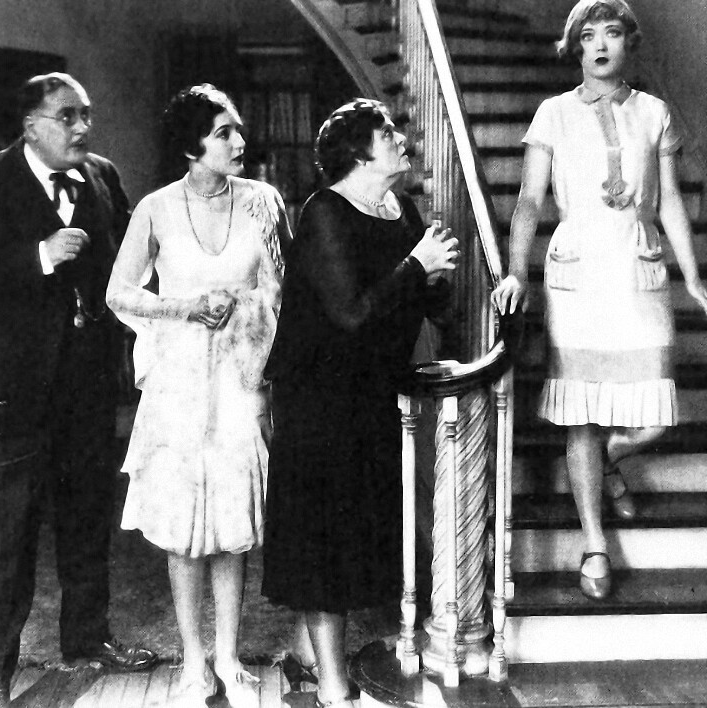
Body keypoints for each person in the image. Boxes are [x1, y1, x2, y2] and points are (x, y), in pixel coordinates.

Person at [0, 72, 158, 708]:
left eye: (86, 114)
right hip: (14, 388)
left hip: (87, 383)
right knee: (8, 530)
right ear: (31, 125)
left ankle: (88, 638)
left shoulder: (102, 177)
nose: (83, 127)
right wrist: (38, 254)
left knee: (87, 514)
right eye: (68, 116)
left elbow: (126, 264)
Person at [492, 0, 707, 601]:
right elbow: (529, 201)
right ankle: (594, 543)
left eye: (613, 33)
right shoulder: (553, 114)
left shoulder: (654, 112)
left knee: (654, 417)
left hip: (637, 270)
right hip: (578, 278)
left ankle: (612, 458)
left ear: (628, 43)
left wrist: (693, 277)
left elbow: (668, 201)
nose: (602, 45)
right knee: (581, 415)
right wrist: (517, 271)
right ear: (576, 48)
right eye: (590, 36)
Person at [261, 99, 459, 708]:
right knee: (324, 541)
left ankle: (306, 656)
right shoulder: (324, 211)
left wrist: (436, 276)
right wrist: (416, 266)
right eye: (387, 133)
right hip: (319, 399)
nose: (400, 139)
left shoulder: (402, 208)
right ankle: (332, 688)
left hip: (371, 394)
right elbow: (350, 313)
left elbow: (432, 304)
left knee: (355, 536)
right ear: (358, 154)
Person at [106, 84, 288, 708]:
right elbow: (119, 293)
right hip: (178, 385)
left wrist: (255, 353)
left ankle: (229, 656)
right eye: (223, 133)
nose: (239, 142)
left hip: (241, 380)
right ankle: (192, 661)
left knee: (233, 523)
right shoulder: (155, 208)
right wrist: (183, 307)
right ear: (191, 146)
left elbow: (280, 294)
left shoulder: (264, 201)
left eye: (238, 130)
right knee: (183, 530)